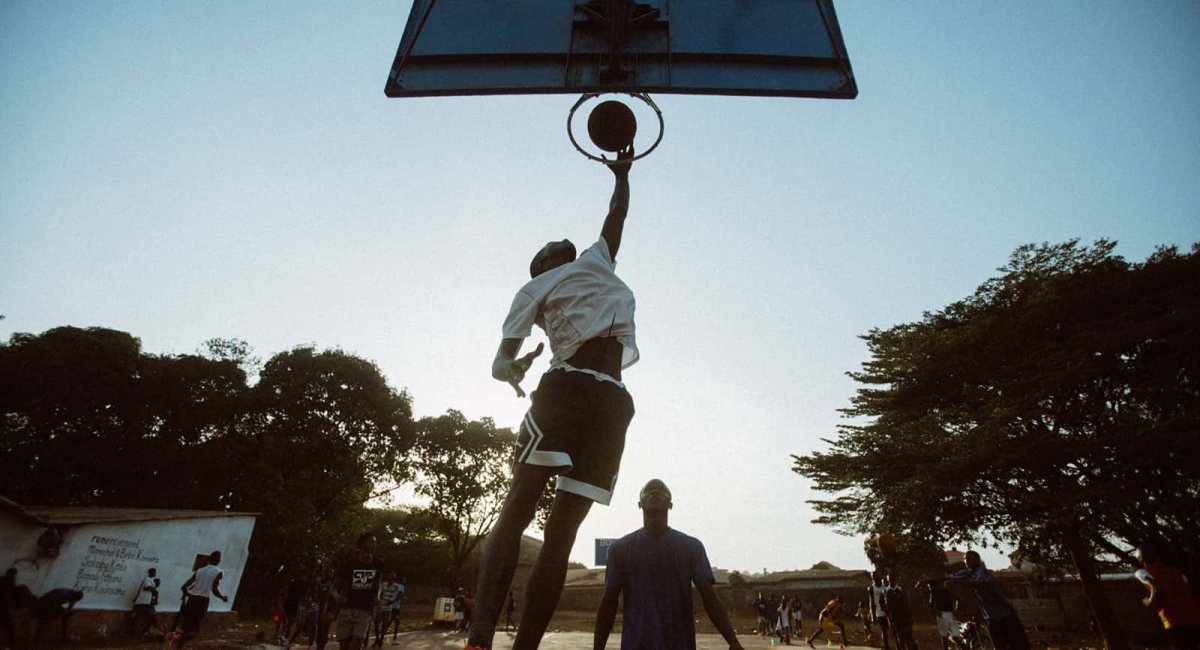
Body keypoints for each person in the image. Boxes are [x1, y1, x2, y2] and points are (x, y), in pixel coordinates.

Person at [466, 146, 638, 650]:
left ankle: (525, 647)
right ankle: (479, 637)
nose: (558, 241)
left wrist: (622, 174)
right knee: (518, 508)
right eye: (546, 247)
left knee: (562, 535)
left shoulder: (596, 259)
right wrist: (511, 369)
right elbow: (499, 359)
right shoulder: (534, 288)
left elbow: (617, 214)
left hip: (613, 403)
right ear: (539, 265)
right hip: (565, 388)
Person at [593, 479, 744, 650]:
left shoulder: (691, 547)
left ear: (670, 504)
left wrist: (732, 641)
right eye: (649, 490)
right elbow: (609, 602)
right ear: (639, 504)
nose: (655, 492)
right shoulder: (620, 549)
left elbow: (709, 597)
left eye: (661, 490)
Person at [947, 550, 1029, 650]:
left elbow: (979, 582)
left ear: (977, 559)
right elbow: (950, 577)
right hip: (990, 615)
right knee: (999, 644)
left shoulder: (983, 572)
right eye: (965, 559)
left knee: (1016, 643)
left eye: (969, 558)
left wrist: (961, 582)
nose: (966, 561)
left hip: (1004, 614)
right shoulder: (967, 573)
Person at [1134, 543, 1200, 649]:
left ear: (1141, 558)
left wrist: (1148, 601)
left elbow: (1157, 588)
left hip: (1174, 620)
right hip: (1194, 616)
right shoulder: (1174, 571)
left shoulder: (1142, 572)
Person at [331, 533, 383, 650]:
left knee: (355, 646)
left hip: (364, 611)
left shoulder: (378, 564)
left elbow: (378, 583)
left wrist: (378, 597)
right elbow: (333, 587)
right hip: (347, 610)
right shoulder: (349, 565)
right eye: (371, 542)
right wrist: (337, 597)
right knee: (344, 647)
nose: (374, 544)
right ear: (362, 544)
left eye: (375, 542)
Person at [178, 551, 228, 649]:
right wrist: (222, 597)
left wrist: (189, 595)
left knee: (186, 626)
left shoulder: (199, 570)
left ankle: (180, 645)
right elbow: (214, 589)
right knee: (195, 626)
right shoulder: (219, 572)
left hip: (192, 599)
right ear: (219, 561)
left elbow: (184, 587)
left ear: (209, 559)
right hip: (202, 600)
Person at [917, 579, 963, 650]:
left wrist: (936, 613)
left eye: (929, 587)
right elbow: (958, 599)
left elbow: (931, 605)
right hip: (950, 614)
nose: (929, 588)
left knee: (944, 637)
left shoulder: (934, 594)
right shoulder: (945, 591)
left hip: (943, 615)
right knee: (955, 637)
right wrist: (955, 611)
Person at [882, 575, 917, 650]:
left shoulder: (901, 590)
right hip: (894, 618)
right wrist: (889, 617)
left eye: (893, 579)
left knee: (908, 637)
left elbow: (907, 604)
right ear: (888, 580)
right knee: (898, 637)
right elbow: (883, 606)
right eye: (890, 579)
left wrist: (909, 616)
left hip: (904, 617)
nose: (892, 581)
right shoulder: (885, 591)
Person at [129, 567, 162, 638]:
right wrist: (154, 591)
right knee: (135, 616)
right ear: (150, 572)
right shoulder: (147, 579)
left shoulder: (152, 581)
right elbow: (146, 588)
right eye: (154, 572)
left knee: (148, 617)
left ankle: (145, 631)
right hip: (141, 601)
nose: (155, 573)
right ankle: (130, 631)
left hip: (146, 603)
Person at [372, 574, 400, 647]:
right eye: (390, 577)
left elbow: (398, 596)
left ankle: (381, 639)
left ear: (394, 578)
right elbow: (379, 593)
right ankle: (377, 639)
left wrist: (392, 601)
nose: (391, 579)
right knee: (376, 623)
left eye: (392, 578)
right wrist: (379, 597)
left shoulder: (396, 586)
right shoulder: (383, 584)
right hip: (380, 606)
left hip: (388, 608)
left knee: (384, 624)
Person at [867, 573, 892, 650]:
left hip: (889, 611)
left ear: (879, 576)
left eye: (875, 577)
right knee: (884, 631)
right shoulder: (871, 588)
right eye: (872, 577)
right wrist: (872, 615)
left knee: (892, 630)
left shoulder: (885, 585)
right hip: (879, 613)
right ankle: (886, 647)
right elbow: (871, 602)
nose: (874, 579)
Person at [387, 576, 406, 640]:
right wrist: (393, 601)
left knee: (390, 620)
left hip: (392, 606)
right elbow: (399, 596)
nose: (404, 581)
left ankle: (384, 632)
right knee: (397, 621)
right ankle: (394, 635)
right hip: (396, 607)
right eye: (404, 579)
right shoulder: (401, 586)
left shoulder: (394, 585)